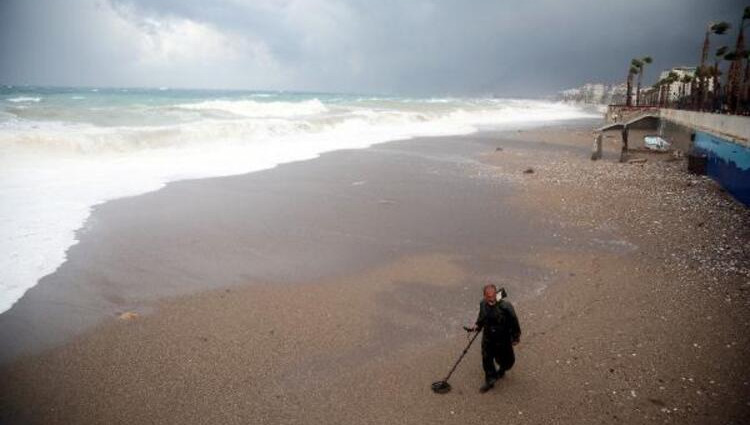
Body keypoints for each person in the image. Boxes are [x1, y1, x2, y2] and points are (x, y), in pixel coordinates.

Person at [466, 284, 521, 393]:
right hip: (488, 338)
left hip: (503, 338)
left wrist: (515, 337)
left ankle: (502, 369)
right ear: (484, 296)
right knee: (487, 358)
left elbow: (514, 322)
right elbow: (481, 318)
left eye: (492, 296)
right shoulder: (482, 304)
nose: (491, 299)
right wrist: (477, 326)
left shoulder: (506, 307)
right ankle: (490, 380)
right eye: (488, 297)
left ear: (496, 294)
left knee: (508, 361)